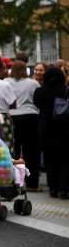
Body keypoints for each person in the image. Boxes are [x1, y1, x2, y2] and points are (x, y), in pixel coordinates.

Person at [33, 66, 69, 199]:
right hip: (64, 128)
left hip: (46, 127)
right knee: (65, 160)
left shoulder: (39, 91)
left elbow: (37, 104)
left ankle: (53, 189)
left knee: (50, 160)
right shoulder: (66, 90)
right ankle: (63, 189)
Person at [6, 60, 42, 191]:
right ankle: (32, 183)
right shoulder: (33, 83)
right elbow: (37, 100)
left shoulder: (6, 82)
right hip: (31, 117)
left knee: (14, 149)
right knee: (31, 151)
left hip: (13, 116)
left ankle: (14, 182)